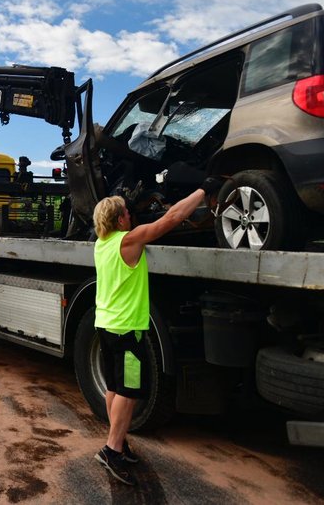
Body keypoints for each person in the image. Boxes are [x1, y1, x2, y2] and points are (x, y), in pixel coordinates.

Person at [91, 177, 223, 485]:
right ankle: (112, 450)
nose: (130, 214)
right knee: (129, 391)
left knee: (114, 387)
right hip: (128, 332)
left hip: (107, 327)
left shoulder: (102, 243)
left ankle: (118, 443)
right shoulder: (129, 240)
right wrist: (203, 189)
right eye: (126, 211)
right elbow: (173, 218)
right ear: (120, 218)